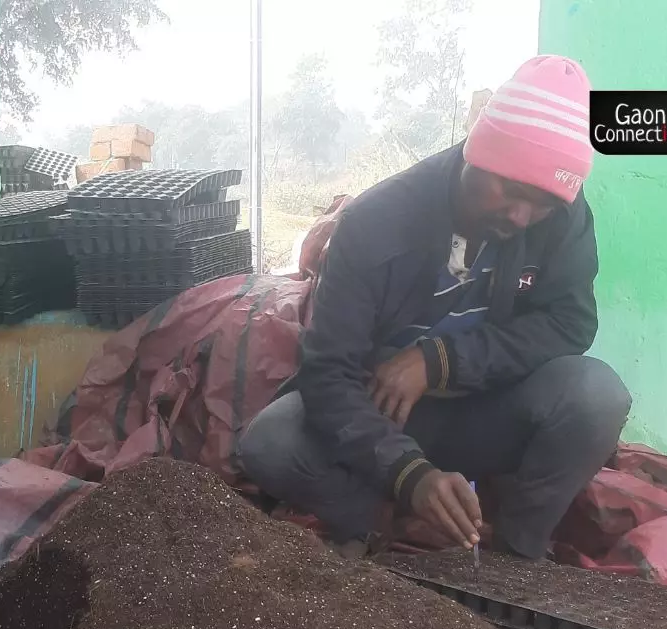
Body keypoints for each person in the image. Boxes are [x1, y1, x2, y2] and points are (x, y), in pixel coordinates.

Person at [239, 55, 630, 559]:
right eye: (509, 192)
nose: (520, 216)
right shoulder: (376, 222)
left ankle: (515, 557)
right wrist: (409, 475)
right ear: (476, 154)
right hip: (382, 415)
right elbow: (328, 374)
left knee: (596, 396)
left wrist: (441, 360)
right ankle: (372, 521)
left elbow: (570, 322)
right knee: (271, 441)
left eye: (542, 205)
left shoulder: (563, 220)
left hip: (485, 409)